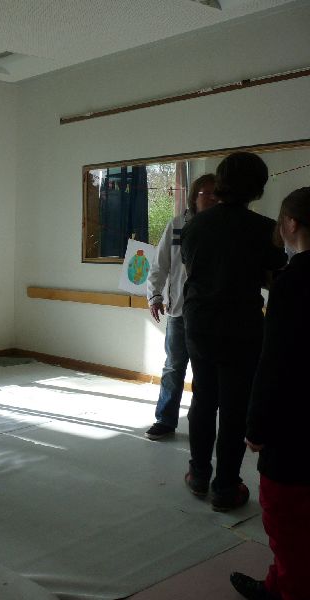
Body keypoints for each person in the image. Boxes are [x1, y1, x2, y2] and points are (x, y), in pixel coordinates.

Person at [180, 153, 285, 511]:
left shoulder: (195, 225)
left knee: (203, 399)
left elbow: (194, 270)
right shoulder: (264, 229)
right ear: (257, 188)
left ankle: (198, 474)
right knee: (235, 408)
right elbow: (274, 276)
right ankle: (225, 487)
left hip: (199, 323)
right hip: (241, 326)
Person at [230, 187, 310, 600]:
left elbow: (275, 362)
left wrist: (256, 426)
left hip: (295, 421)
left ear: (291, 224)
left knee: (285, 515)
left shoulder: (292, 283)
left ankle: (287, 589)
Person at [144, 174, 217, 440]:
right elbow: (159, 264)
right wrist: (154, 296)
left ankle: (202, 422)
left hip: (211, 314)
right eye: (207, 193)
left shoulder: (223, 227)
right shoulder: (176, 225)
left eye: (217, 193)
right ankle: (165, 420)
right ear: (194, 196)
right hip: (179, 312)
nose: (213, 198)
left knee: (206, 371)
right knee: (174, 367)